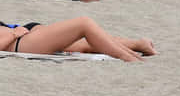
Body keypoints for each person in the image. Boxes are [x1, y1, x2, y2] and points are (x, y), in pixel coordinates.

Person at [1, 16, 154, 60]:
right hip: (20, 43)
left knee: (83, 43)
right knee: (83, 24)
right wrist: (14, 34)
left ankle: (137, 45)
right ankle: (129, 57)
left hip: (22, 33)